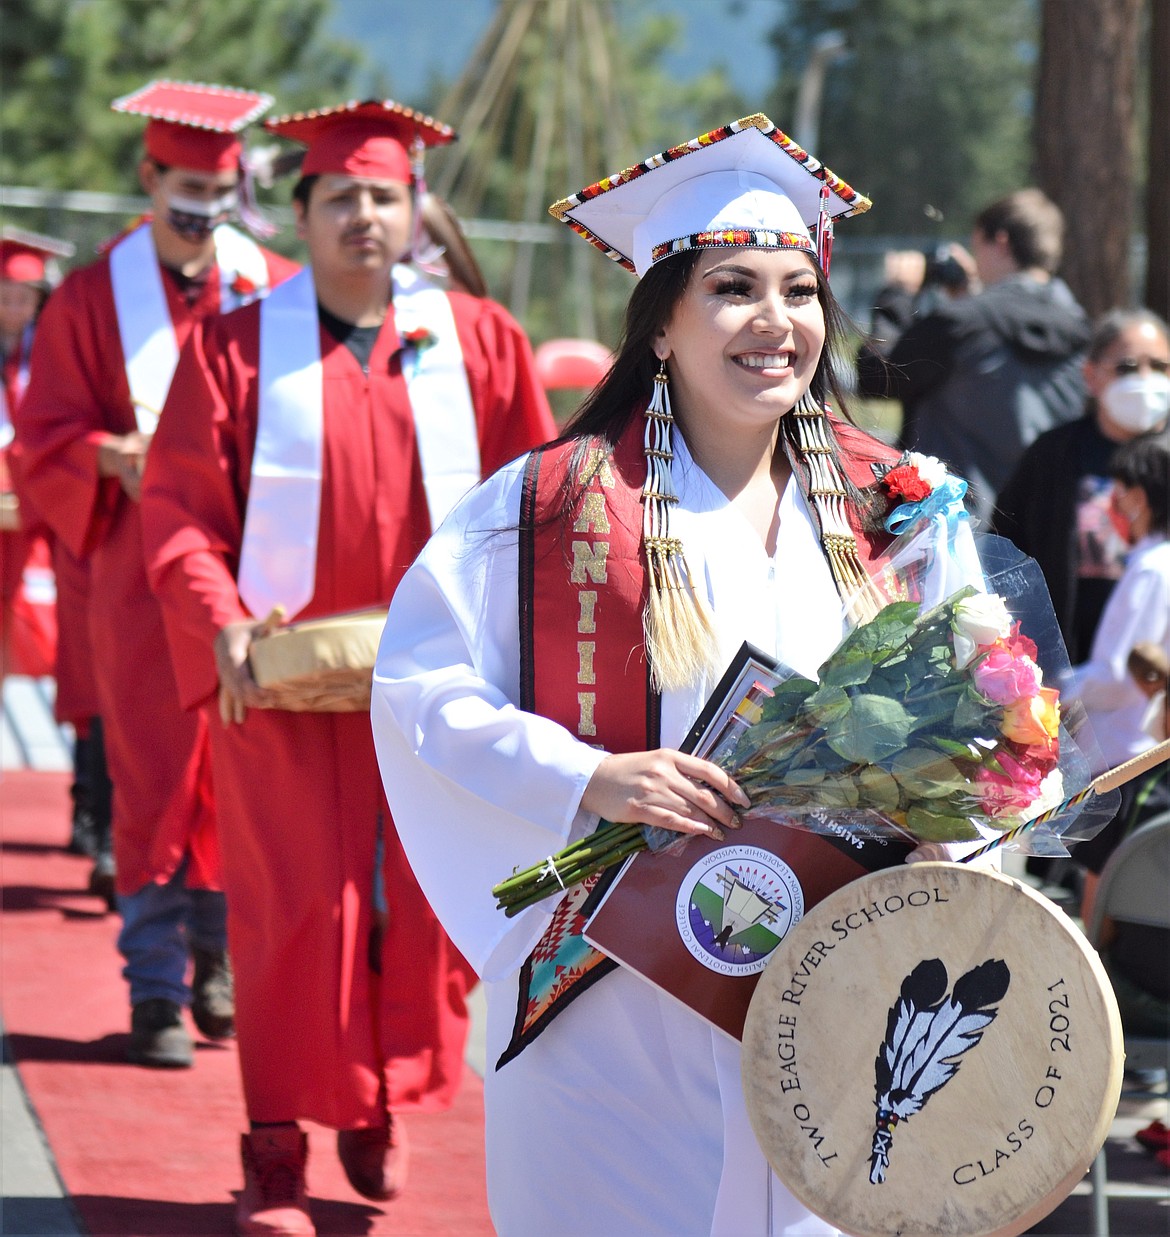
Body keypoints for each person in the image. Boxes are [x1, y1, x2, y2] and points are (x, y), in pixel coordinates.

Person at [370, 114, 984, 1236]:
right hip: (611, 987)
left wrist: (954, 821)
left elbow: (980, 706)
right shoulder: (549, 505)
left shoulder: (894, 502)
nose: (775, 321)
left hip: (829, 980)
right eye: (733, 287)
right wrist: (588, 779)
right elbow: (424, 692)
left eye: (799, 291)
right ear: (660, 323)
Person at [139, 98, 556, 1236]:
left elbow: (537, 503)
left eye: (384, 194)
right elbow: (177, 512)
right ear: (302, 211)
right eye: (340, 197)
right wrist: (215, 612)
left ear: (415, 208)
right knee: (291, 909)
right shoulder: (230, 350)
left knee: (417, 902)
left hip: (438, 687)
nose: (363, 215)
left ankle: (375, 1105)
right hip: (281, 686)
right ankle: (275, 1140)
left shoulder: (476, 340)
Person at [15, 80, 299, 1071]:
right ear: (148, 178)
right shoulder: (94, 297)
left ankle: (215, 959)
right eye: (186, 191)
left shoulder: (271, 284)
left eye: (219, 196)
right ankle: (154, 992)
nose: (202, 215)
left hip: (253, 569)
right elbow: (44, 430)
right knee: (151, 780)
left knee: (240, 775)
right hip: (139, 579)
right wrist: (107, 455)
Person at [857, 189, 1090, 524]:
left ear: (1001, 240)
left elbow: (876, 376)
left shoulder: (964, 323)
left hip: (956, 532)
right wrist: (971, 297)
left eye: (976, 244)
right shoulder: (1080, 325)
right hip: (1043, 526)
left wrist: (897, 295)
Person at [1, 230, 114, 886]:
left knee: (73, 661)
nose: (15, 307)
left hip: (49, 521)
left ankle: (88, 806)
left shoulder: (50, 348)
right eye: (5, 295)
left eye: (24, 295)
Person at [992, 309, 1170, 663]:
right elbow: (1004, 548)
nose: (1145, 379)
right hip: (1068, 664)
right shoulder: (1054, 454)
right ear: (1090, 376)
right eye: (1127, 367)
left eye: (1160, 367)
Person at [1063, 433, 1170, 925]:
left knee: (1101, 894)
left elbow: (1118, 674)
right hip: (1143, 750)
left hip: (1125, 758)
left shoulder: (1152, 568)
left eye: (1119, 488)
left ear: (1138, 496)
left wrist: (1055, 687)